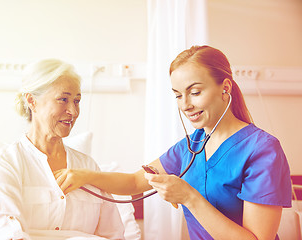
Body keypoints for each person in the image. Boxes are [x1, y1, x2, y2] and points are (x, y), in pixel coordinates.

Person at [54, 45, 292, 240]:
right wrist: (84, 176)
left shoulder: (262, 150)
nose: (185, 104)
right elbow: (135, 181)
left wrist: (189, 197)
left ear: (225, 88)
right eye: (178, 95)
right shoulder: (191, 146)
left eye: (195, 92)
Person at [0, 59, 125, 240]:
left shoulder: (88, 167)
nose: (73, 111)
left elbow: (113, 234)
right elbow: (5, 233)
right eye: (63, 99)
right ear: (32, 101)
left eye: (77, 101)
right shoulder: (5, 164)